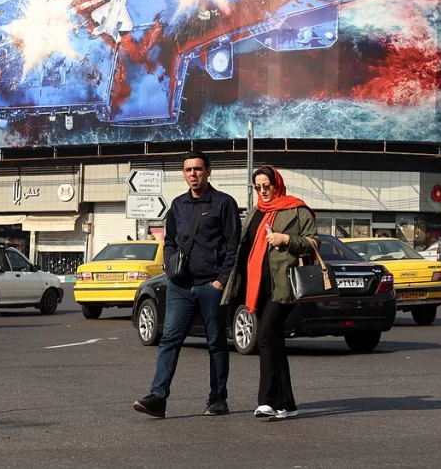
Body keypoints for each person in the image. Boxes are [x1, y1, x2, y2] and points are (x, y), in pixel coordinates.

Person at [134, 151, 241, 419]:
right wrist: (170, 267)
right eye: (188, 170)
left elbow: (233, 247)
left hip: (210, 286)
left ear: (208, 171)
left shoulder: (224, 203)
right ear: (183, 174)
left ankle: (218, 399)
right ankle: (158, 397)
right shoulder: (178, 205)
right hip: (180, 287)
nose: (193, 174)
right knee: (169, 339)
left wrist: (221, 281)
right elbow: (170, 240)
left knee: (216, 343)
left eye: (197, 169)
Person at [221, 165, 317, 421]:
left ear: (278, 184)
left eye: (267, 186)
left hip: (284, 286)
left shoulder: (297, 210)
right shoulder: (254, 213)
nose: (263, 191)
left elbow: (314, 244)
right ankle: (287, 403)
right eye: (258, 187)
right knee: (274, 341)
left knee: (264, 336)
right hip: (258, 287)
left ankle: (267, 401)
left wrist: (285, 240)